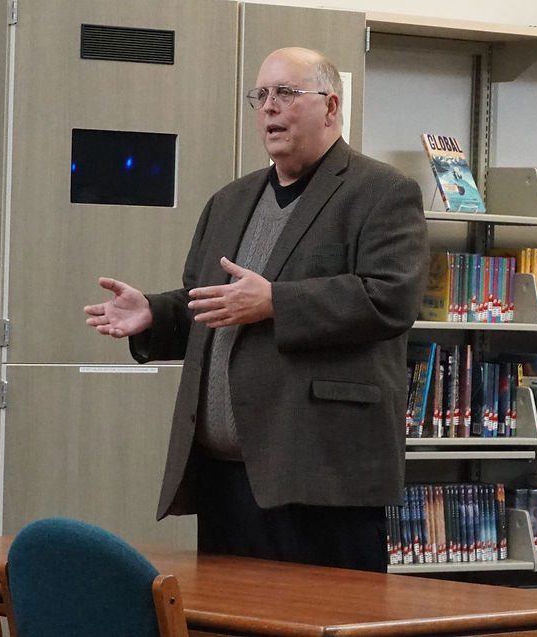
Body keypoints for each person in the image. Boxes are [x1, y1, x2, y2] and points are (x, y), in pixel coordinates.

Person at [84, 47, 428, 572]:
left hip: (320, 475)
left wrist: (276, 301)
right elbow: (213, 303)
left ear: (331, 106)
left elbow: (390, 298)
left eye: (286, 93)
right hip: (226, 475)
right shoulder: (230, 200)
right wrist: (155, 313)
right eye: (261, 95)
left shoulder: (381, 192)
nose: (269, 108)